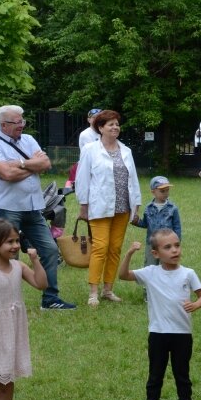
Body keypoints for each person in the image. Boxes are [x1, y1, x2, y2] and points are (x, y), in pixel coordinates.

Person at [118, 230, 201, 400]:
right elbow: (123, 275)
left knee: (181, 373)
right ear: (156, 253)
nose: (174, 250)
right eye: (168, 247)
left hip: (182, 334)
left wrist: (196, 304)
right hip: (158, 333)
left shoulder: (188, 273)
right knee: (155, 373)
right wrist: (129, 253)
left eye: (177, 245)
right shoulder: (150, 273)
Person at [0, 105, 75, 310]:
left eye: (23, 121)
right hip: (8, 208)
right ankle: (5, 299)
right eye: (17, 122)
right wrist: (31, 164)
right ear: (3, 125)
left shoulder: (28, 140)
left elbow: (46, 164)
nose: (22, 125)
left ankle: (50, 299)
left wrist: (19, 164)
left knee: (49, 249)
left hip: (34, 207)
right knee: (7, 253)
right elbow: (7, 175)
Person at [75, 109, 141, 307]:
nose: (115, 127)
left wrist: (135, 205)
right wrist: (83, 206)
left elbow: (134, 180)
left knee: (115, 248)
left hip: (123, 207)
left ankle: (108, 289)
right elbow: (82, 179)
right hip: (100, 206)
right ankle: (93, 291)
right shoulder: (90, 150)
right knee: (101, 248)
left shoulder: (126, 151)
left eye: (117, 124)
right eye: (110, 124)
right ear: (100, 128)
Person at [0, 219, 47, 400]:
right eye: (9, 242)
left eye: (17, 241)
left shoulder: (18, 266)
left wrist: (35, 261)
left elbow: (41, 284)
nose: (15, 246)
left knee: (7, 373)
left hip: (11, 328)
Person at [134, 176, 181, 268]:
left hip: (167, 244)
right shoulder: (148, 208)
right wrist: (137, 222)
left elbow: (177, 227)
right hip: (152, 243)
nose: (165, 193)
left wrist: (176, 243)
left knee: (167, 266)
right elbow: (145, 224)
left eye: (167, 190)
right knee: (150, 267)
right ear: (153, 192)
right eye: (162, 191)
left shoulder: (173, 208)